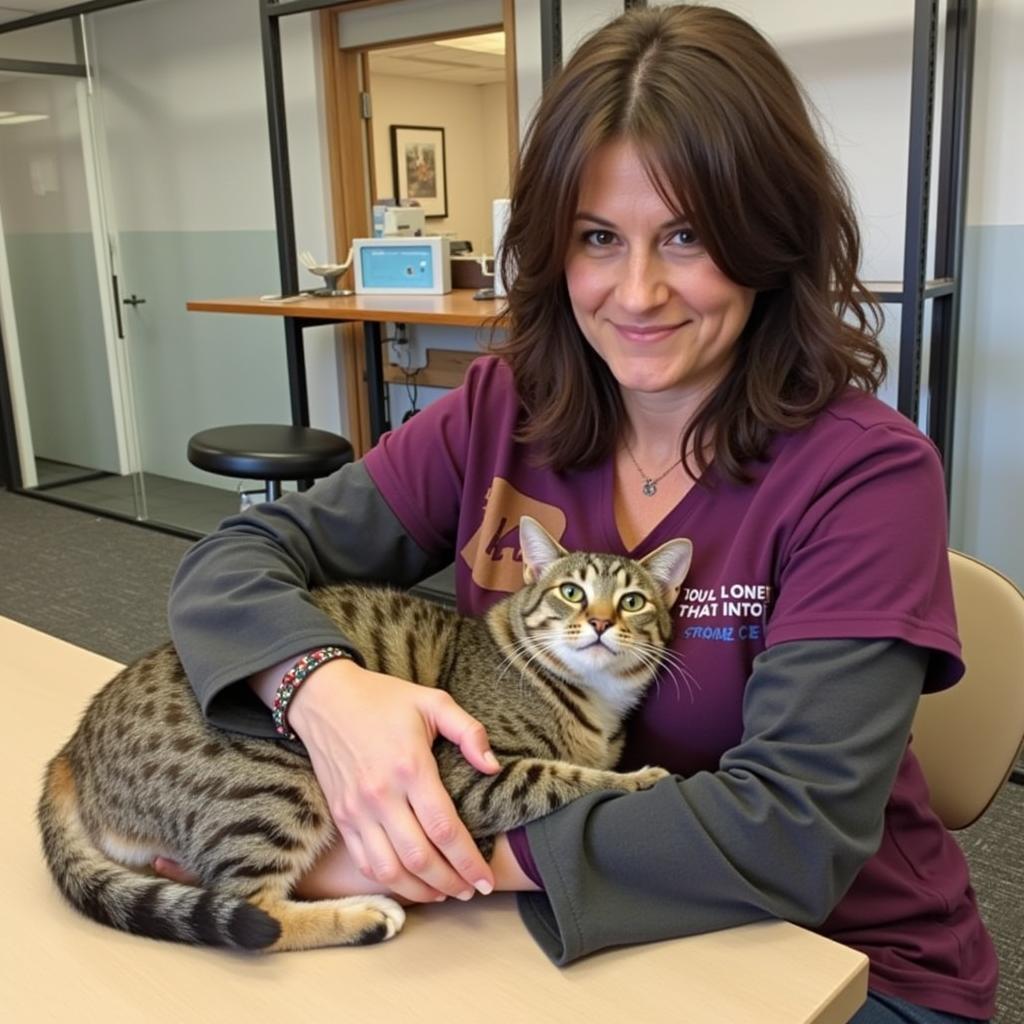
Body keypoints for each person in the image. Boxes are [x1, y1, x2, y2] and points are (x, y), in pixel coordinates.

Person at [167, 6, 997, 1021]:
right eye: (598, 238)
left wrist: (417, 854)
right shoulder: (503, 407)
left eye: (686, 236)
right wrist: (321, 691)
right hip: (545, 920)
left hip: (836, 955)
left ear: (767, 239)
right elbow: (241, 555)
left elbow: (792, 833)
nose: (636, 292)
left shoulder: (863, 473)